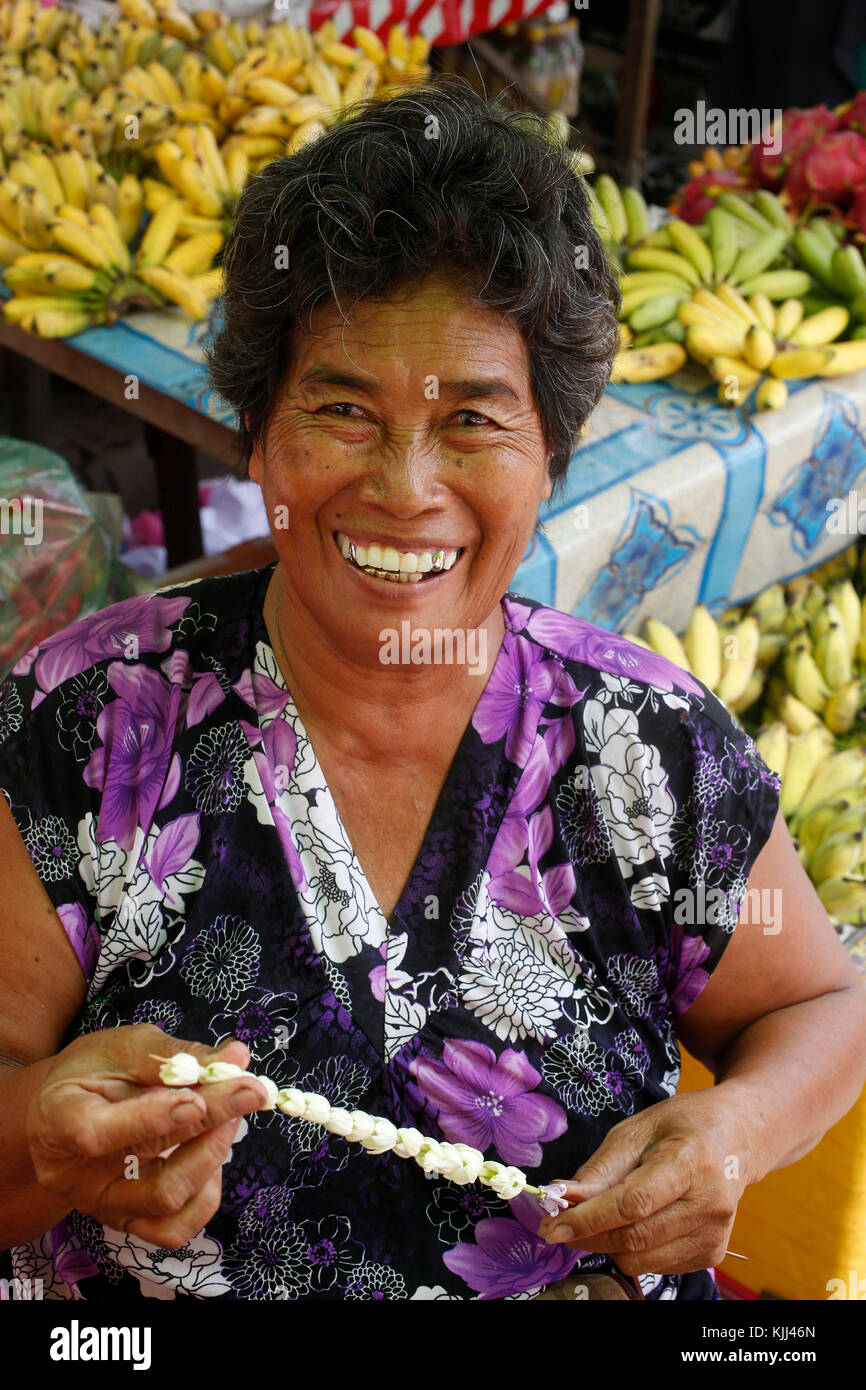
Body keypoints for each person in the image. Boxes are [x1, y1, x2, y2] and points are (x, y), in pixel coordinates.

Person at [1, 78, 864, 1303]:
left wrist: (740, 1129)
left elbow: (824, 999)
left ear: (550, 457)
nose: (404, 485)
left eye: (472, 418)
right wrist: (45, 1129)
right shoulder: (81, 726)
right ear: (255, 436)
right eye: (342, 407)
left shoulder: (646, 750)